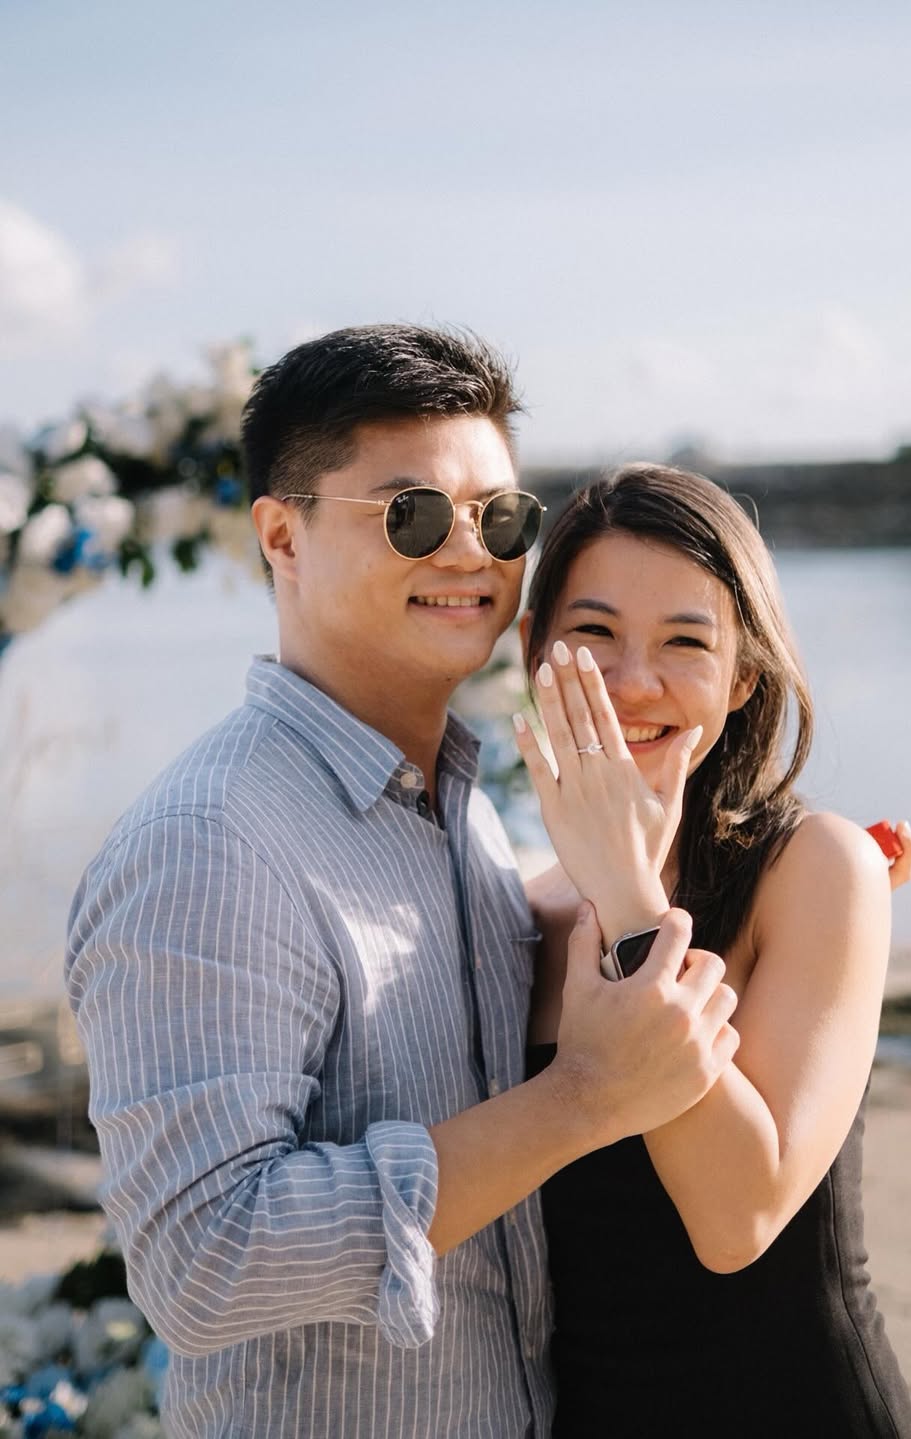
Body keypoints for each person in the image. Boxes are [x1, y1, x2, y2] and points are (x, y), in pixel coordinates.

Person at [64, 328, 741, 1439]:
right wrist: (581, 1098)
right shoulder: (210, 841)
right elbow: (203, 1262)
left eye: (501, 518)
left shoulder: (459, 809)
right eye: (413, 514)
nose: (470, 553)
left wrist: (794, 875)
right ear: (281, 535)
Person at [512, 462, 911, 1437]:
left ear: (743, 677)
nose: (633, 682)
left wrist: (629, 899)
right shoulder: (515, 911)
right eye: (594, 633)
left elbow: (739, 1218)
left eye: (686, 642)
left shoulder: (816, 865)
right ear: (533, 650)